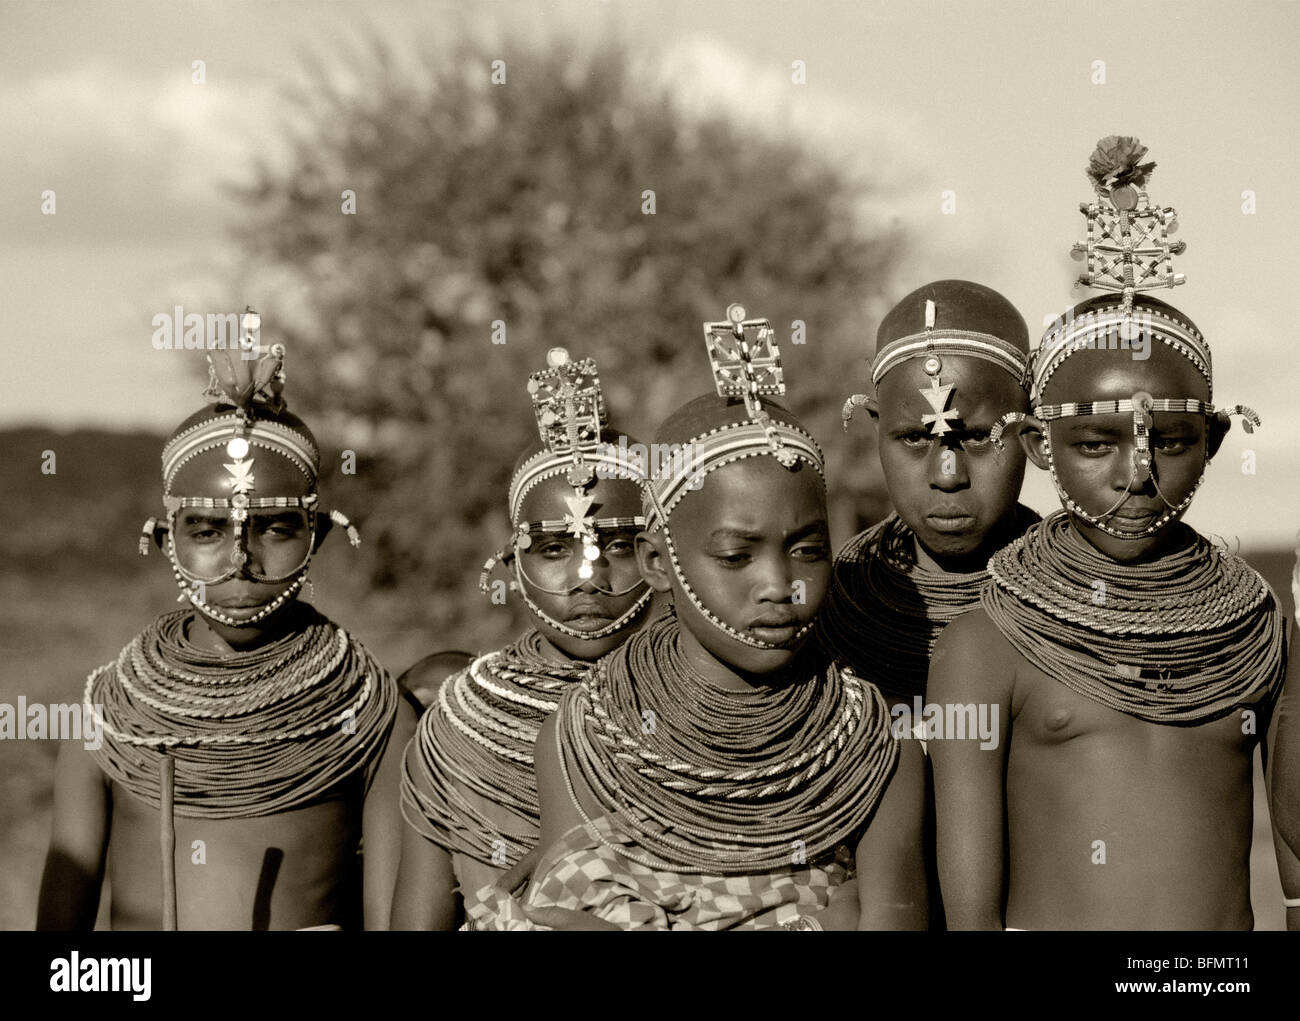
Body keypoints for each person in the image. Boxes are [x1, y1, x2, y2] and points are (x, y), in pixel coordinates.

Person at [468, 305, 927, 930]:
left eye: (808, 552)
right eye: (736, 556)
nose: (779, 587)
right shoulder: (586, 737)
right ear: (658, 562)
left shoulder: (874, 745)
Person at [929, 138, 1287, 930]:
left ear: (1216, 441)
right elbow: (970, 915)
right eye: (1096, 444)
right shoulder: (982, 647)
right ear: (1036, 446)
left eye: (1173, 441)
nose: (1138, 475)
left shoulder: (1257, 626)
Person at [37, 312, 411, 930]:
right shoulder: (110, 710)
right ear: (165, 542)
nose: (241, 561)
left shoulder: (371, 710)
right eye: (208, 531)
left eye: (275, 528)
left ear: (316, 538)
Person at [391, 348, 654, 929]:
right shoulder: (457, 729)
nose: (590, 577)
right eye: (555, 549)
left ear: (659, 556)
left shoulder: (715, 709)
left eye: (617, 545)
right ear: (510, 563)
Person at [825, 279, 1038, 708]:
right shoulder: (828, 616)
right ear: (876, 427)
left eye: (979, 437)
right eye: (913, 438)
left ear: (1031, 433)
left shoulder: (1088, 611)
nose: (948, 475)